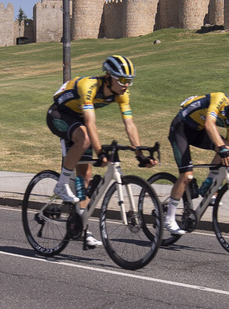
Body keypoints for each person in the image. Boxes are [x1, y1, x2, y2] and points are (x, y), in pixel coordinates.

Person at [46, 55, 155, 249]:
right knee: (86, 136)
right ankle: (61, 184)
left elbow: (129, 124)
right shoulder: (89, 86)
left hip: (78, 120)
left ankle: (80, 226)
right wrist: (100, 151)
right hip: (59, 114)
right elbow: (90, 123)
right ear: (108, 76)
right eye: (122, 80)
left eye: (129, 81)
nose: (126, 85)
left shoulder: (122, 94)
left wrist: (139, 154)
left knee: (85, 178)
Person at [162, 84, 229, 236]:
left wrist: (224, 152)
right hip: (181, 129)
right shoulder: (219, 99)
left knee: (227, 153)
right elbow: (209, 124)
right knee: (187, 175)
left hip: (198, 132)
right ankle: (169, 218)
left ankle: (208, 187)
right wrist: (221, 148)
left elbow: (226, 147)